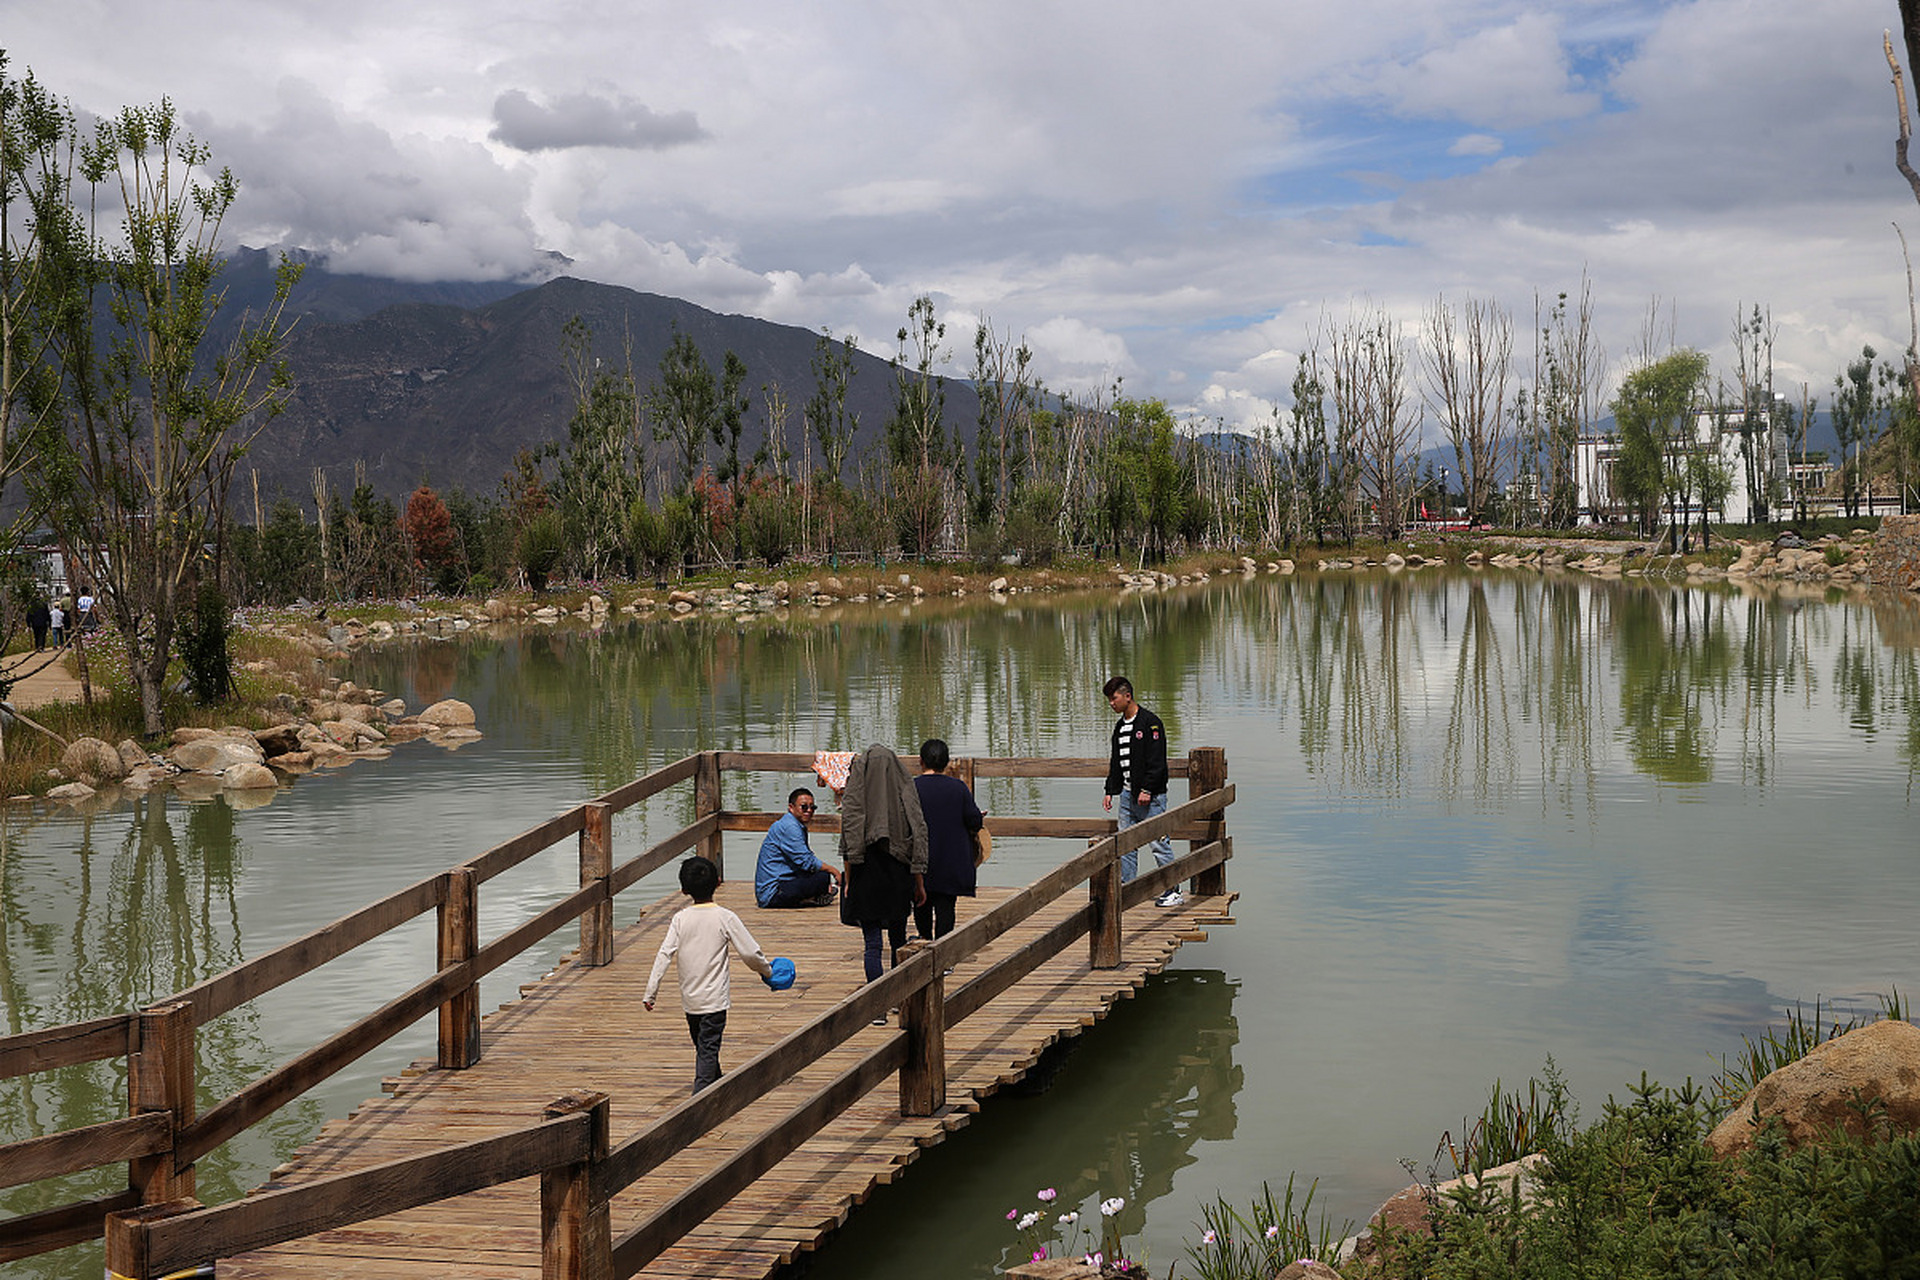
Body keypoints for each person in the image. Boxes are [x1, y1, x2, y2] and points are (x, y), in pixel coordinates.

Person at [643, 855, 776, 1093]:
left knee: (704, 1047)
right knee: (707, 1049)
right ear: (718, 882)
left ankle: (716, 1085)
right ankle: (700, 1102)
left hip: (690, 1001)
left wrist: (651, 992)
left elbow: (664, 954)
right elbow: (750, 952)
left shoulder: (680, 919)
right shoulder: (725, 917)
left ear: (683, 890)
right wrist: (767, 972)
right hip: (714, 1001)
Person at [840, 743, 928, 1002]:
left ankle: (877, 1005)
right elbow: (918, 831)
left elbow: (849, 836)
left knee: (872, 943)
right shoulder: (904, 789)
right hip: (897, 873)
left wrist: (848, 880)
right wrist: (919, 881)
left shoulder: (856, 795)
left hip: (864, 872)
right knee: (898, 939)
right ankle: (898, 998)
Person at [1102, 675, 1180, 905]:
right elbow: (1117, 762)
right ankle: (1127, 888)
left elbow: (1157, 762)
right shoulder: (1120, 727)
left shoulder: (1150, 723)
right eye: (1109, 699)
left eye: (1114, 698)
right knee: (1126, 843)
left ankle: (1173, 890)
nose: (1111, 703)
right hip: (1127, 795)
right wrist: (1109, 790)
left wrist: (1147, 789)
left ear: (1128, 696)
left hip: (1150, 796)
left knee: (1158, 841)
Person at [912, 738, 984, 942]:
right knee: (946, 906)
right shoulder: (958, 788)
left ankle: (924, 942)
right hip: (950, 859)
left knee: (920, 902)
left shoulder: (911, 787)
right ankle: (943, 952)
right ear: (946, 762)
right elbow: (973, 820)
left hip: (921, 858)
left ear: (921, 761)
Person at [755, 787, 842, 908]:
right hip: (772, 893)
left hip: (781, 883)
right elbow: (806, 861)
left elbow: (804, 860)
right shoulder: (790, 827)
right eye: (804, 807)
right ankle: (813, 897)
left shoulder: (794, 824)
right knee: (823, 877)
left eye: (812, 807)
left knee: (819, 877)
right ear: (791, 807)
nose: (809, 810)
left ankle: (815, 895)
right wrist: (834, 871)